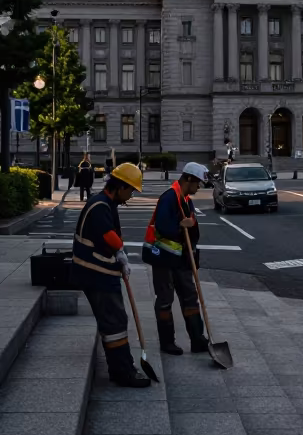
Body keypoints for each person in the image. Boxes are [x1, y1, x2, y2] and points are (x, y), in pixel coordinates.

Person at [70, 162, 150, 388]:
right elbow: (108, 236)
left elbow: (111, 236)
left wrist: (120, 254)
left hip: (99, 270)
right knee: (114, 321)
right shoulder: (100, 206)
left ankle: (120, 368)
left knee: (114, 320)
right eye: (130, 190)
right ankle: (122, 372)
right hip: (95, 272)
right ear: (120, 186)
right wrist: (120, 253)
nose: (131, 196)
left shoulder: (105, 202)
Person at [149, 162, 210, 355]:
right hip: (164, 260)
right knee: (165, 299)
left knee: (190, 297)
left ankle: (197, 339)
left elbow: (191, 227)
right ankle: (167, 342)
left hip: (182, 259)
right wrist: (180, 224)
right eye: (197, 182)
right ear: (189, 179)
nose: (198, 187)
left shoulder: (185, 199)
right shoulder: (168, 198)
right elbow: (162, 227)